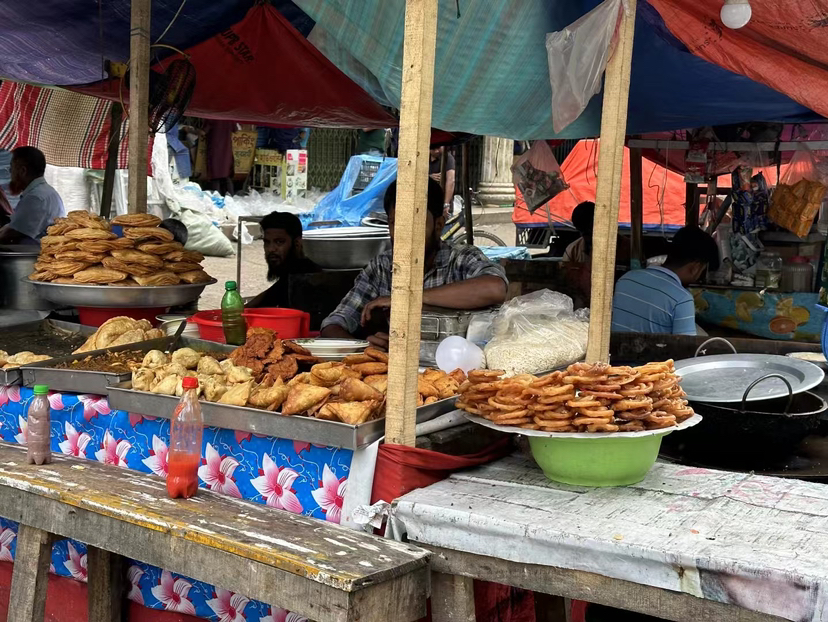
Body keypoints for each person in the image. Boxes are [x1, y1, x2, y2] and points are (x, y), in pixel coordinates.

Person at [320, 178, 508, 349]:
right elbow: (332, 325)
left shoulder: (460, 259)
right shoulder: (381, 268)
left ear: (439, 224)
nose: (403, 234)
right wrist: (362, 349)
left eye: (415, 224)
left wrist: (408, 298)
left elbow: (494, 288)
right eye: (395, 223)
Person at [611, 226, 718, 335]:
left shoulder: (625, 279)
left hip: (617, 346)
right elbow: (686, 344)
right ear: (696, 268)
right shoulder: (681, 299)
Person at [247, 212, 320, 309]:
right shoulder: (289, 274)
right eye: (267, 242)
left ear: (297, 243)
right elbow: (263, 300)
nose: (271, 249)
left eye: (279, 242)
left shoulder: (305, 278)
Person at [0, 146, 64, 244]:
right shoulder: (49, 192)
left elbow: (10, 233)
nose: (10, 174)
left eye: (11, 169)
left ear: (23, 171)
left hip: (34, 251)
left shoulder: (35, 198)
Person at [428, 147, 455, 214]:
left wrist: (446, 204)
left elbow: (451, 180)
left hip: (441, 201)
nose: (437, 151)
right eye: (433, 149)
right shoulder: (424, 157)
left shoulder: (448, 158)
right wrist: (429, 177)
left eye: (439, 148)